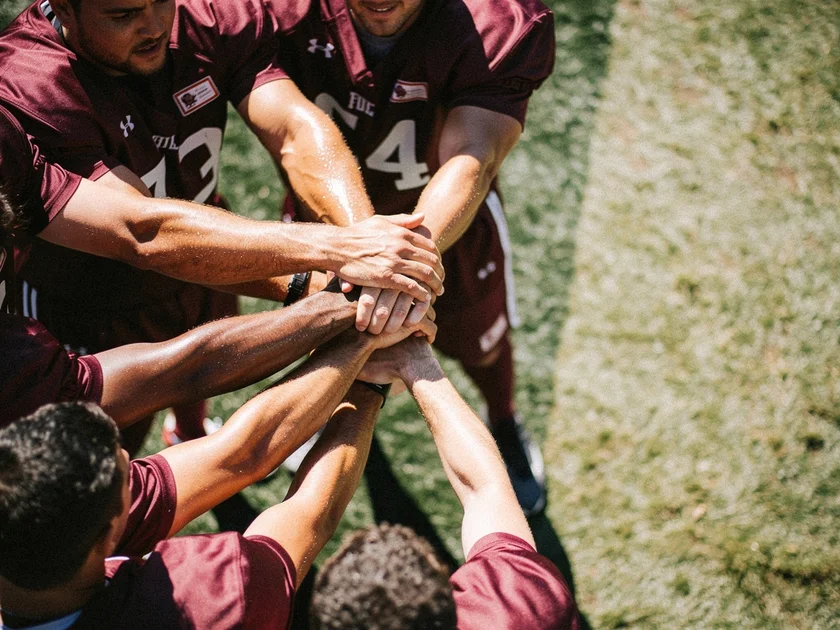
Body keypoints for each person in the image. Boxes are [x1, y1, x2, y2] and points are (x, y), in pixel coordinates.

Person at [0, 0, 443, 450]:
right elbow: (142, 233)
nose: (156, 26)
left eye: (162, 1)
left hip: (214, 251)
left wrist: (374, 253)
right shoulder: (28, 84)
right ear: (64, 10)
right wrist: (344, 266)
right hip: (92, 301)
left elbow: (294, 128)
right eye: (123, 14)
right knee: (101, 469)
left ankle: (189, 429)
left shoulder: (207, 13)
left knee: (201, 395)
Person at [269, 0, 556, 514]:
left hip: (450, 229)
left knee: (483, 347)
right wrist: (365, 250)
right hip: (326, 227)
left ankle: (504, 419)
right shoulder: (271, 10)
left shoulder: (500, 22)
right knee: (328, 341)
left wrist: (395, 261)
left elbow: (473, 157)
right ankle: (334, 415)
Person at [0, 314, 435, 628]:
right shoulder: (205, 602)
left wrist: (354, 338)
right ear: (111, 531)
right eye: (128, 477)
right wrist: (369, 381)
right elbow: (307, 515)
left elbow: (241, 451)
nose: (138, 475)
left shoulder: (45, 527)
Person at [311, 336, 580, 629]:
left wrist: (361, 381)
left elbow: (300, 512)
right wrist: (413, 359)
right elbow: (484, 490)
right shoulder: (524, 611)